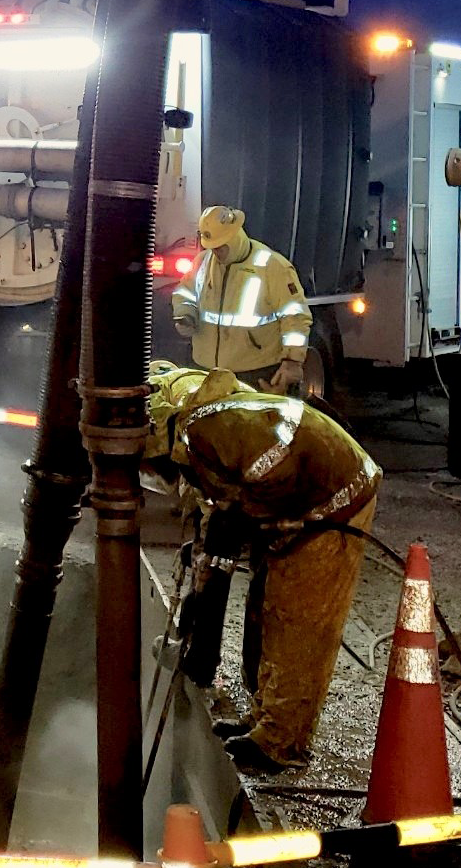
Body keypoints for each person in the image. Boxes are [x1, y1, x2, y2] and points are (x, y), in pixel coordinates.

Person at [147, 361, 380, 770]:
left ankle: (281, 744)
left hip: (334, 497)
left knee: (298, 623)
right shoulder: (198, 436)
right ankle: (263, 721)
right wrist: (205, 562)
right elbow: (216, 514)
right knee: (265, 609)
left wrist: (245, 520)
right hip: (297, 497)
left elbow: (271, 473)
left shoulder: (212, 435)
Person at [171, 204, 313, 391]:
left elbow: (295, 317)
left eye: (221, 246)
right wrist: (185, 313)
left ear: (235, 236)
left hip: (254, 373)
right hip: (206, 371)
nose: (216, 252)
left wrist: (292, 362)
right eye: (212, 247)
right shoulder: (203, 262)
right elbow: (184, 292)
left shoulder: (272, 266)